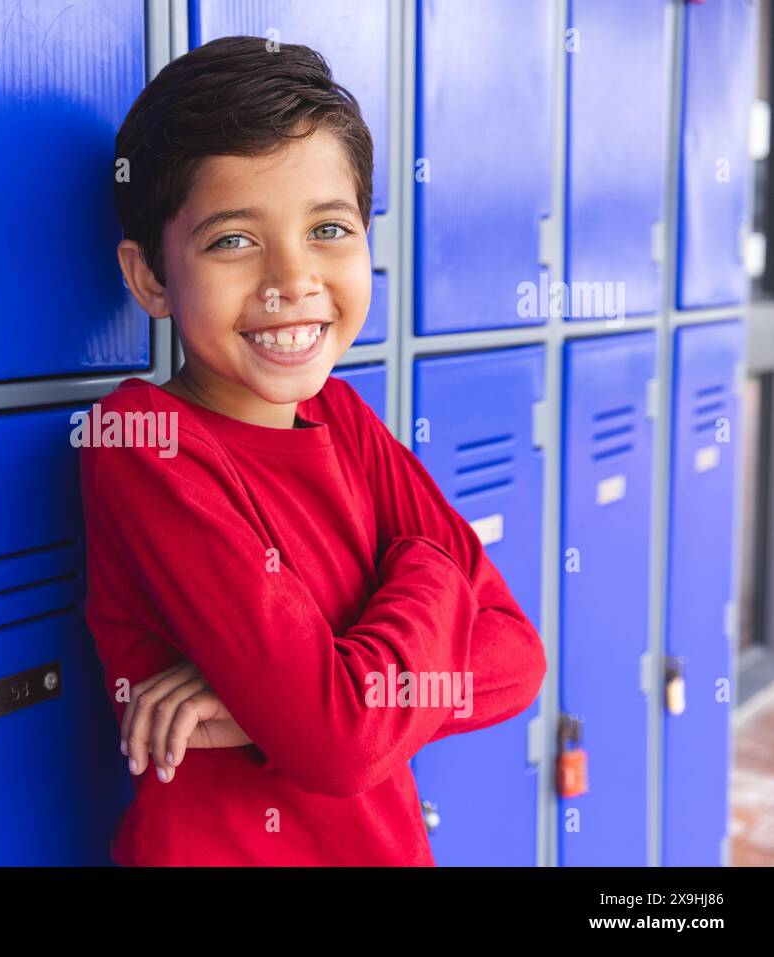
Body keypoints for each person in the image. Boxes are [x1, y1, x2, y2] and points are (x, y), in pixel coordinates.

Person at [78, 35, 547, 866]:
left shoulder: (340, 414)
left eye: (328, 228)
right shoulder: (142, 444)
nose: (292, 279)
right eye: (232, 240)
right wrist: (434, 572)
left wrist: (288, 701)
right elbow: (339, 743)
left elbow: (517, 658)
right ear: (150, 276)